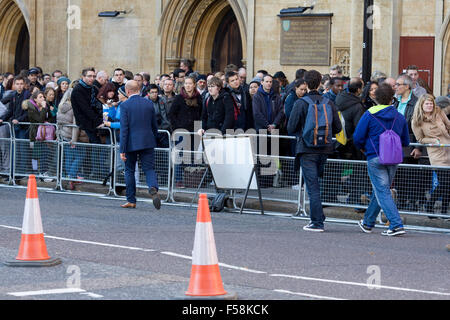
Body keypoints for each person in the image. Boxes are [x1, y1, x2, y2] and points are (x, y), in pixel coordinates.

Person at [287, 70, 342, 232]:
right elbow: (338, 127)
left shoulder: (301, 103)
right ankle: (319, 216)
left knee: (313, 187)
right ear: (319, 83)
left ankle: (317, 221)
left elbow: (291, 127)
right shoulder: (328, 102)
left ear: (306, 83)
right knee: (318, 183)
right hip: (325, 148)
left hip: (306, 148)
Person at [354, 83, 410, 236]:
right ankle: (368, 223)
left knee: (382, 191)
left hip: (375, 155)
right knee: (380, 190)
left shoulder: (369, 114)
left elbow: (357, 137)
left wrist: (363, 148)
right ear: (392, 99)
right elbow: (405, 140)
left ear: (376, 98)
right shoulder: (399, 116)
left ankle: (396, 224)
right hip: (393, 157)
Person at [119, 80, 161, 210]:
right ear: (140, 89)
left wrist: (122, 149)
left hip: (131, 142)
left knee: (129, 170)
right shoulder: (148, 103)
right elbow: (154, 125)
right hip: (148, 141)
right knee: (149, 169)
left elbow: (124, 129)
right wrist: (153, 138)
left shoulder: (125, 106)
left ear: (127, 91)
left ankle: (131, 200)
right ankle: (153, 187)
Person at [411, 94, 450, 216]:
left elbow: (448, 124)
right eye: (427, 104)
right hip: (436, 152)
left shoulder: (438, 112)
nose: (430, 106)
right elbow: (420, 139)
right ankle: (430, 204)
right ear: (421, 105)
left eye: (431, 103)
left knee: (448, 183)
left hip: (448, 147)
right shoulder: (416, 120)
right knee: (444, 182)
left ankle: (443, 211)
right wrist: (434, 141)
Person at [168, 75, 202, 188]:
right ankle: (178, 179)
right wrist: (177, 128)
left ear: (194, 85)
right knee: (179, 156)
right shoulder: (179, 98)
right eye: (186, 83)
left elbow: (202, 114)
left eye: (190, 83)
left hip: (194, 132)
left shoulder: (199, 98)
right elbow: (172, 114)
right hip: (181, 131)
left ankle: (190, 178)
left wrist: (199, 129)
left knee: (191, 155)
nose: (188, 85)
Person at [57, 88, 89, 190]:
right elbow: (76, 125)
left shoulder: (61, 106)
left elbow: (58, 123)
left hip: (64, 135)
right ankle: (71, 177)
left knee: (69, 158)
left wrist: (58, 135)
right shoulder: (75, 107)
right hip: (72, 136)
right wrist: (74, 139)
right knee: (80, 156)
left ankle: (69, 178)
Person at [335, 77, 366, 160]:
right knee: (350, 169)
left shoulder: (339, 98)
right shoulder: (357, 106)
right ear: (358, 90)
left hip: (338, 141)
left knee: (341, 170)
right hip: (351, 145)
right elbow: (359, 127)